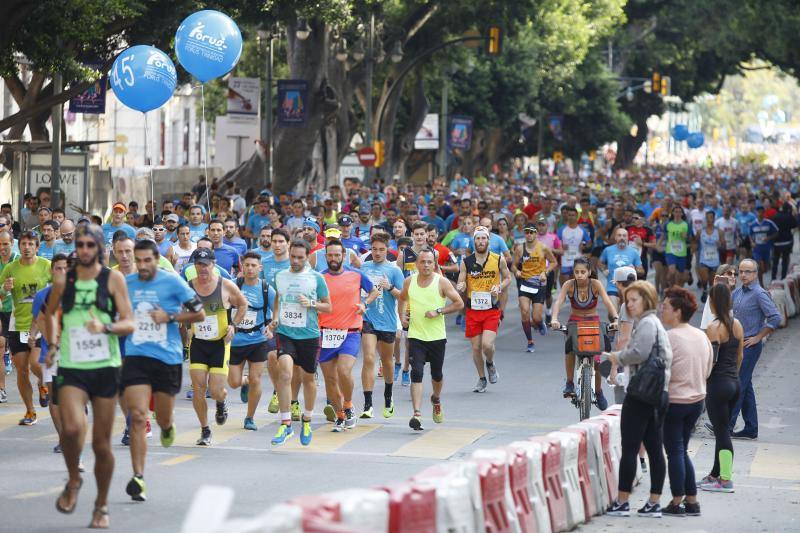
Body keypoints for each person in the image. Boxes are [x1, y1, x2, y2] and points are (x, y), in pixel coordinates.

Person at [43, 223, 135, 528]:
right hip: (72, 365)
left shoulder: (113, 279)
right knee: (70, 429)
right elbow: (49, 314)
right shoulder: (63, 280)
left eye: (89, 245)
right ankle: (73, 480)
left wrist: (105, 328)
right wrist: (54, 343)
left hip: (105, 367)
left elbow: (129, 322)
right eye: (79, 245)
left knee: (101, 445)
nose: (83, 250)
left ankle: (102, 504)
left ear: (99, 248)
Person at [121, 240, 205, 502]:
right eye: (139, 260)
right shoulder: (127, 283)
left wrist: (169, 317)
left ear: (157, 259)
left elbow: (199, 314)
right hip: (136, 355)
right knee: (136, 416)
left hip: (167, 358)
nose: (143, 265)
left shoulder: (173, 282)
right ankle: (138, 477)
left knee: (163, 418)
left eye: (148, 260)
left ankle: (167, 427)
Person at [604, 281, 672, 518]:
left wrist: (615, 357)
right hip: (657, 392)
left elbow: (638, 353)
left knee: (631, 446)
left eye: (634, 300)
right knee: (654, 448)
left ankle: (622, 501)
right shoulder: (655, 324)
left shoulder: (646, 324)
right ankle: (654, 502)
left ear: (647, 300)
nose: (629, 305)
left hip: (642, 393)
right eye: (627, 300)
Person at [271, 239, 331, 446]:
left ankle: (307, 419)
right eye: (293, 256)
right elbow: (278, 298)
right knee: (285, 373)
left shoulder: (316, 278)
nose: (295, 260)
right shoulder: (280, 276)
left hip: (309, 335)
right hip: (286, 333)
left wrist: (312, 303)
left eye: (300, 257)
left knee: (308, 379)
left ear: (307, 257)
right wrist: (275, 316)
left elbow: (328, 306)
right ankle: (286, 423)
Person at [659, 287, 713, 516]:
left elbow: (659, 371)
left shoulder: (669, 337)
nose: (662, 310)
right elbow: (709, 368)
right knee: (681, 450)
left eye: (666, 307)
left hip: (676, 403)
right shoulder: (701, 335)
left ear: (678, 311)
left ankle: (676, 500)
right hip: (697, 402)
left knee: (675, 452)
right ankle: (692, 501)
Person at [187, 248, 248, 446]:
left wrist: (234, 325)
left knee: (215, 390)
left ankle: (221, 402)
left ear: (213, 265)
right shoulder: (188, 288)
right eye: (199, 264)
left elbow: (243, 304)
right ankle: (205, 429)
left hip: (220, 344)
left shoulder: (226, 286)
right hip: (198, 343)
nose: (202, 268)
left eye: (206, 264)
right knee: (198, 389)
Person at [398, 248, 464, 430]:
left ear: (434, 264)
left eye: (429, 262)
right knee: (416, 373)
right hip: (416, 336)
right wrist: (402, 316)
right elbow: (402, 299)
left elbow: (459, 303)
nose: (426, 265)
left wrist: (439, 311)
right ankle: (417, 414)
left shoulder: (441, 282)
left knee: (437, 374)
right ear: (417, 264)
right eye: (423, 262)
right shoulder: (409, 282)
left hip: (436, 337)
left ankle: (435, 398)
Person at [317, 239, 378, 431]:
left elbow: (374, 291)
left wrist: (365, 304)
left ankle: (349, 405)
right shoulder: (319, 277)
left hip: (350, 331)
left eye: (337, 255)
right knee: (330, 379)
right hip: (325, 332)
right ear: (325, 256)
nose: (333, 258)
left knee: (344, 370)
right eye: (330, 255)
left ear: (344, 256)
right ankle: (340, 414)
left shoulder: (356, 274)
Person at [550, 257, 617, 410]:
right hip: (575, 321)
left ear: (589, 272)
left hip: (593, 321)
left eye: (583, 272)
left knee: (598, 358)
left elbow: (607, 301)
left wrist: (616, 318)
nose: (579, 275)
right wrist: (554, 318)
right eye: (576, 272)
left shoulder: (595, 284)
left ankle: (599, 392)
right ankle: (569, 383)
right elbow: (559, 301)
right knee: (569, 349)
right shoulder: (569, 285)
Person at [0, 231, 51, 424]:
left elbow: (58, 289)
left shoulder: (47, 266)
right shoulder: (11, 268)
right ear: (18, 246)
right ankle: (30, 411)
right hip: (17, 324)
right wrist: (4, 288)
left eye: (31, 244)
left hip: (41, 324)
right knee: (21, 370)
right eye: (23, 244)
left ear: (37, 247)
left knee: (36, 364)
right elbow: (0, 294)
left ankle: (43, 383)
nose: (27, 247)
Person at [728, 258, 781, 440]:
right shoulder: (737, 292)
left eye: (747, 272)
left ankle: (727, 425)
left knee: (739, 385)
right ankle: (751, 428)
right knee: (746, 385)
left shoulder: (759, 293)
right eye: (740, 271)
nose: (743, 275)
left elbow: (775, 317)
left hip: (750, 346)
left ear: (756, 274)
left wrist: (758, 337)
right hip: (737, 345)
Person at [700, 282, 744, 494]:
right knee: (722, 430)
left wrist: (703, 381)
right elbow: (739, 356)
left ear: (713, 302)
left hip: (718, 385)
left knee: (722, 432)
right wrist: (732, 376)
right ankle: (715, 474)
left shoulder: (713, 328)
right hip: (735, 383)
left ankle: (725, 479)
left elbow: (711, 361)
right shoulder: (737, 325)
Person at [457, 226, 511, 393]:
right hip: (473, 309)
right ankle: (481, 378)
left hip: (490, 309)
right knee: (475, 348)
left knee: (487, 345)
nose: (481, 241)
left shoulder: (498, 259)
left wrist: (499, 286)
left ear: (488, 240)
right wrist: (461, 285)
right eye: (478, 239)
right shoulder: (466, 262)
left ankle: (490, 362)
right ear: (474, 242)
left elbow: (508, 277)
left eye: (483, 238)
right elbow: (461, 281)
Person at [359, 233, 404, 418]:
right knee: (369, 358)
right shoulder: (364, 267)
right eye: (374, 249)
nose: (377, 253)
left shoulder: (394, 271)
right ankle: (368, 404)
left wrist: (390, 288)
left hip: (388, 322)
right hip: (368, 319)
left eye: (381, 250)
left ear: (387, 250)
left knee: (386, 361)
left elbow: (403, 296)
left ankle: (388, 395)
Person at [229, 252, 275, 431]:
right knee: (233, 382)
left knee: (257, 379)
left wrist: (271, 327)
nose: (249, 268)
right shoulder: (233, 286)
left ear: (260, 268)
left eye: (253, 265)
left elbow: (277, 311)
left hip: (258, 340)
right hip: (236, 340)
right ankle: (244, 382)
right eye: (246, 265)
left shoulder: (266, 288)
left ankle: (249, 417)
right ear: (242, 266)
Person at [512, 222, 557, 352]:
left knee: (536, 317)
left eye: (532, 232)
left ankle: (539, 322)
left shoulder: (543, 248)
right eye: (527, 232)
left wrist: (545, 272)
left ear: (536, 234)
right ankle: (530, 342)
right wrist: (516, 271)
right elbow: (513, 265)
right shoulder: (520, 248)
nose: (529, 235)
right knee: (525, 312)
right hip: (525, 283)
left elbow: (554, 262)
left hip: (539, 284)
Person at [598, 227, 643, 311]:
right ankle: (615, 322)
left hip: (628, 288)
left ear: (627, 237)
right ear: (615, 237)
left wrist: (634, 270)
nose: (622, 238)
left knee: (625, 314)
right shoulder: (608, 250)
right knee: (613, 313)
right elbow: (600, 263)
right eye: (619, 235)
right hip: (612, 286)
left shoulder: (634, 252)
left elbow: (641, 271)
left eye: (624, 236)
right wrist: (603, 269)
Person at [0, 230, 19, 403]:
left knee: (24, 357)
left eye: (5, 243)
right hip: (0, 310)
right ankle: (1, 389)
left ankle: (42, 384)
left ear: (12, 243)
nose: (2, 247)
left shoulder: (18, 261)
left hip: (18, 313)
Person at [697, 211, 724, 303]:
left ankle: (710, 298)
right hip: (703, 259)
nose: (709, 220)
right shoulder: (700, 231)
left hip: (715, 260)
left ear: (714, 219)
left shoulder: (719, 232)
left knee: (712, 282)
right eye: (707, 218)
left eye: (711, 217)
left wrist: (720, 245)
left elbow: (724, 246)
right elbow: (695, 242)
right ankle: (704, 290)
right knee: (704, 279)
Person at [748, 206, 777, 287]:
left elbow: (776, 232)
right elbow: (750, 235)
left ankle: (759, 273)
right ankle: (761, 285)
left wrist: (769, 238)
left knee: (766, 268)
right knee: (759, 266)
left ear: (764, 213)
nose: (760, 214)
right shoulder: (753, 224)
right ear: (756, 213)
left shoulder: (769, 223)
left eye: (762, 212)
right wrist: (752, 242)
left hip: (767, 248)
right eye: (759, 212)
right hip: (757, 249)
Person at [770, 202, 797, 280]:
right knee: (785, 261)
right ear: (789, 209)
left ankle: (773, 278)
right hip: (787, 242)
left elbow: (772, 227)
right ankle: (783, 278)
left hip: (776, 243)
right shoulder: (789, 216)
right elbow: (795, 225)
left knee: (775, 261)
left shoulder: (775, 216)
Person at [665, 205, 690, 288]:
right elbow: (663, 236)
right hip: (670, 251)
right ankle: (670, 287)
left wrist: (685, 236)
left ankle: (676, 291)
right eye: (676, 212)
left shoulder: (685, 224)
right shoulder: (668, 224)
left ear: (682, 214)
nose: (678, 214)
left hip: (682, 252)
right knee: (672, 271)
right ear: (672, 213)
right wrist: (658, 245)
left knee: (680, 276)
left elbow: (688, 238)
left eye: (680, 212)